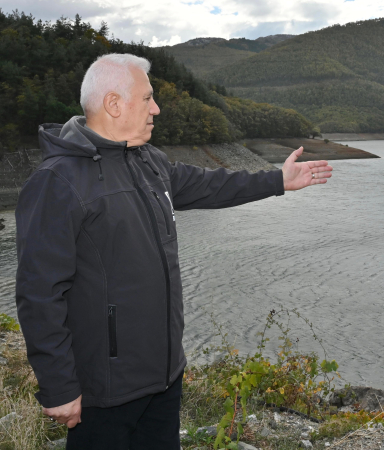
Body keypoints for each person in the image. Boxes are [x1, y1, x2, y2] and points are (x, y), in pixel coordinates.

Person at [14, 53, 332, 449]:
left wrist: (277, 180)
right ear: (114, 104)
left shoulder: (149, 161)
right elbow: (38, 291)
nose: (157, 109)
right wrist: (59, 385)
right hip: (107, 389)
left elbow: (211, 185)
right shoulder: (57, 181)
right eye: (148, 99)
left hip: (164, 377)